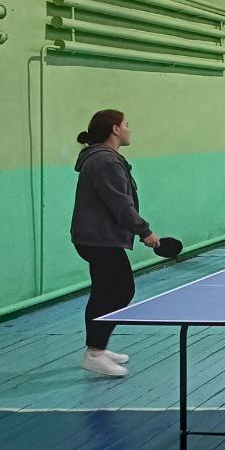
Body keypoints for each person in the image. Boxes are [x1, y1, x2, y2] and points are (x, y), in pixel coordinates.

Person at [71, 109, 161, 378]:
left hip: (97, 238)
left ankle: (97, 349)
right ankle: (95, 353)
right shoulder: (105, 161)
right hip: (99, 239)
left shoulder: (103, 158)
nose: (129, 129)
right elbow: (120, 203)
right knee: (120, 291)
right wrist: (145, 232)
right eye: (126, 124)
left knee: (105, 291)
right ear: (115, 129)